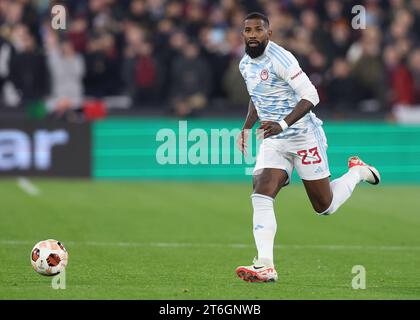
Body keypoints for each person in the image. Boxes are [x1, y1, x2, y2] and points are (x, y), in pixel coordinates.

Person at [235, 12, 381, 283]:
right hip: (275, 140)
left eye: (258, 30)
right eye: (248, 30)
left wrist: (282, 123)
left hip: (303, 136)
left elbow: (311, 95)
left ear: (270, 33)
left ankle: (357, 172)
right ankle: (265, 264)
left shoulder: (283, 59)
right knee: (261, 190)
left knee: (324, 207)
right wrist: (246, 127)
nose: (253, 34)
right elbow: (256, 96)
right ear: (242, 34)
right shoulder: (245, 64)